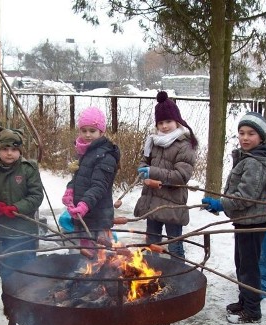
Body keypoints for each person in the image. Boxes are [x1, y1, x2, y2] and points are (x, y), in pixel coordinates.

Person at [201, 112, 266, 324]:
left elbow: (244, 197)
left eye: (251, 134)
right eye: (242, 133)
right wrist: (223, 204)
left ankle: (252, 311)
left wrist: (220, 203)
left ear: (261, 137)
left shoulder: (256, 162)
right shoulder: (248, 157)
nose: (245, 138)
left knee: (249, 266)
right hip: (245, 220)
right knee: (242, 263)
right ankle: (245, 301)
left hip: (254, 222)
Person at [133, 91, 197, 259]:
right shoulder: (153, 142)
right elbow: (144, 161)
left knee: (175, 247)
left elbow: (181, 176)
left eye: (168, 121)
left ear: (177, 121)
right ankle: (151, 279)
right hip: (152, 202)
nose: (165, 126)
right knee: (152, 245)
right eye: (160, 122)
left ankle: (180, 281)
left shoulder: (185, 145)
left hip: (172, 206)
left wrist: (152, 172)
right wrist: (143, 169)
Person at [0, 127, 44, 282]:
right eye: (5, 149)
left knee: (29, 272)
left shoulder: (28, 170)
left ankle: (29, 301)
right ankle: (9, 301)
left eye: (14, 149)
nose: (9, 153)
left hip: (26, 232)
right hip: (3, 233)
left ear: (20, 151)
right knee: (7, 272)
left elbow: (36, 196)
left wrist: (17, 207)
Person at [62, 106, 120, 250]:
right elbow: (80, 178)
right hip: (82, 217)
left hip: (98, 217)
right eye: (84, 130)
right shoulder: (84, 153)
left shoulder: (105, 156)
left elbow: (99, 186)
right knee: (82, 259)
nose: (87, 134)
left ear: (101, 132)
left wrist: (84, 205)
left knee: (100, 259)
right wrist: (70, 189)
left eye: (92, 131)